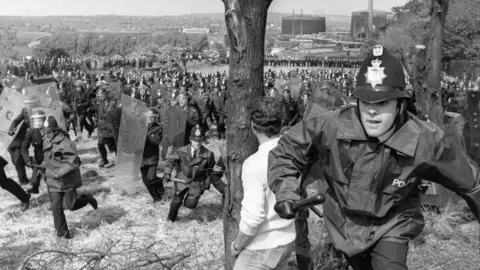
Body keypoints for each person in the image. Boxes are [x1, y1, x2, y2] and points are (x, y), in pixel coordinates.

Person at [267, 45, 480, 270]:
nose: (372, 111)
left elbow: (473, 184)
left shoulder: (428, 141)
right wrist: (286, 192)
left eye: (382, 103)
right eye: (366, 102)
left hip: (392, 222)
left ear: (401, 104)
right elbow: (287, 151)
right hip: (344, 225)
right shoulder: (330, 125)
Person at [231, 98, 295, 270]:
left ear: (252, 125)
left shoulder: (254, 164)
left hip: (261, 245)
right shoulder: (293, 153)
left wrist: (237, 246)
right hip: (286, 239)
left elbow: (253, 218)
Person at [40, 116, 98, 239]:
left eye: (48, 132)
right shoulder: (46, 141)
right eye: (45, 132)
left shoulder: (65, 143)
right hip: (53, 182)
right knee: (56, 208)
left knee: (71, 206)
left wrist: (59, 173)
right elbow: (49, 159)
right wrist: (42, 167)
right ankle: (63, 236)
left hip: (66, 180)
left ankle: (87, 198)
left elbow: (73, 162)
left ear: (55, 131)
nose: (46, 135)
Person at [163, 125, 215, 222]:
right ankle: (171, 219)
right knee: (176, 201)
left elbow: (211, 170)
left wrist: (206, 184)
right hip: (182, 180)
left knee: (190, 204)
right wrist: (167, 173)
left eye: (200, 140)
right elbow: (170, 162)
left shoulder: (208, 154)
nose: (197, 143)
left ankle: (189, 200)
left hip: (197, 182)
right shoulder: (181, 151)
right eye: (195, 140)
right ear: (190, 139)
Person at [141, 108, 164, 202]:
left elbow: (156, 141)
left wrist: (145, 134)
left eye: (153, 117)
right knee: (145, 180)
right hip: (141, 157)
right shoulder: (140, 126)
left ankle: (159, 183)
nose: (150, 119)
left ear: (156, 118)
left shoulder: (158, 128)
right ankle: (156, 197)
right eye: (149, 117)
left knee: (151, 178)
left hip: (152, 157)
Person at [21, 110, 47, 194]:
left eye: (39, 120)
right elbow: (24, 148)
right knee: (36, 173)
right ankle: (35, 189)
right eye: (35, 120)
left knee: (49, 177)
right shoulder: (31, 132)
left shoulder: (50, 130)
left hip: (49, 156)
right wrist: (27, 160)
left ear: (44, 120)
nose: (37, 122)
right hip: (38, 156)